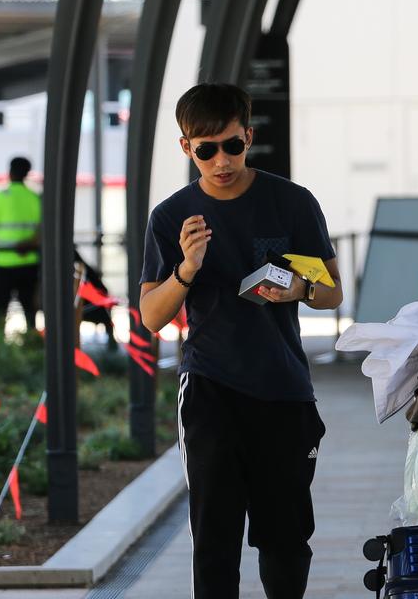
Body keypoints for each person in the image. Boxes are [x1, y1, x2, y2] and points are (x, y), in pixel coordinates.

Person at [138, 83, 343, 598]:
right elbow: (150, 317)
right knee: (215, 540)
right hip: (210, 388)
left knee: (286, 539)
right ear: (186, 148)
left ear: (249, 136)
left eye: (232, 145)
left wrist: (300, 287)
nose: (221, 160)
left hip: (283, 389)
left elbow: (332, 292)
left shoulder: (291, 202)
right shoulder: (171, 217)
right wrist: (186, 269)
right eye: (205, 150)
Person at [0, 156, 41, 339]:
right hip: (29, 263)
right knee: (30, 311)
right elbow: (42, 232)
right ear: (27, 174)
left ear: (10, 173)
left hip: (2, 264)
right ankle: (31, 344)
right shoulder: (35, 199)